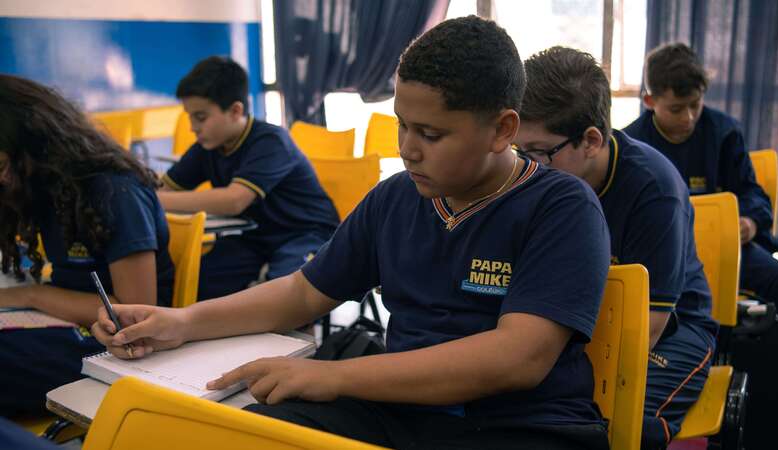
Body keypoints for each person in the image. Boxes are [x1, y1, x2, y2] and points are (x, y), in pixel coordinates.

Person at [92, 16, 612, 450]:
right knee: (248, 432)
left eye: (431, 134)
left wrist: (332, 375)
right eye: (401, 125)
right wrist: (183, 322)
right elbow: (302, 292)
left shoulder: (561, 206)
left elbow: (516, 358)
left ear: (503, 129)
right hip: (404, 414)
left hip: (522, 427)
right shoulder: (396, 198)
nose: (409, 148)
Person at [515, 46, 719, 449]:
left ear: (591, 140)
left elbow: (650, 327)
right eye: (519, 150)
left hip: (673, 330)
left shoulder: (655, 191)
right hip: (576, 327)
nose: (526, 166)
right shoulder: (539, 181)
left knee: (616, 425)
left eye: (539, 152)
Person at [0, 74, 174, 416]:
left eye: (2, 165)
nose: (1, 179)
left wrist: (29, 295)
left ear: (34, 146)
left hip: (119, 346)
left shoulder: (113, 190)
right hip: (64, 325)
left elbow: (137, 312)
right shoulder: (42, 187)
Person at [624, 42, 778, 333]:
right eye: (676, 109)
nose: (688, 117)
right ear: (649, 101)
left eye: (695, 104)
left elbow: (752, 193)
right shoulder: (632, 144)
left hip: (725, 250)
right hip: (659, 254)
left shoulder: (724, 132)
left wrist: (750, 222)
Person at [159, 56, 339, 300]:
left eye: (200, 117)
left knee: (289, 296)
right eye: (189, 117)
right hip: (256, 238)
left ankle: (302, 337)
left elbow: (234, 200)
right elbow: (165, 188)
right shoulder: (207, 147)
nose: (193, 127)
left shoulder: (271, 141)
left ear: (235, 111)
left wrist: (156, 200)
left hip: (307, 233)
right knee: (194, 281)